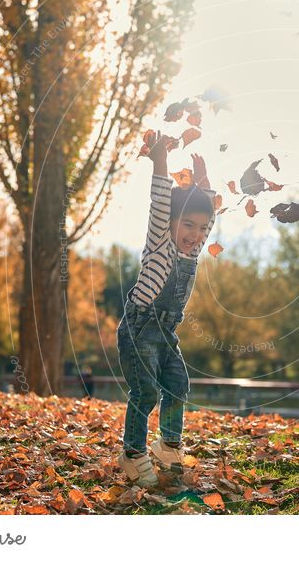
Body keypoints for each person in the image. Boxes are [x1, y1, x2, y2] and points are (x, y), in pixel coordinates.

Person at [117, 130, 216, 487]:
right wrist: (161, 161)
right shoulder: (160, 242)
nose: (195, 234)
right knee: (146, 392)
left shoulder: (193, 249)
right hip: (140, 328)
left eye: (201, 229)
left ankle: (168, 445)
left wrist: (204, 184)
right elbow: (161, 201)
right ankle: (132, 453)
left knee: (177, 385)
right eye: (187, 225)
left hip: (166, 332)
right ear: (171, 224)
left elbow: (209, 215)